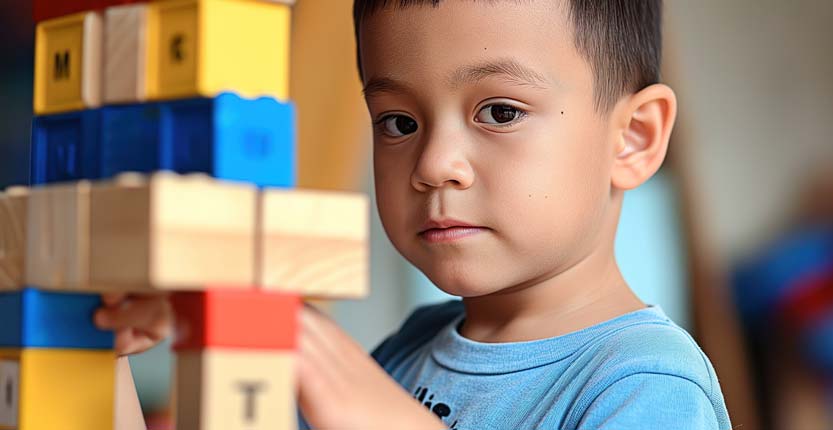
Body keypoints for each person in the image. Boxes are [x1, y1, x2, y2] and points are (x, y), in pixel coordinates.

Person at [97, 0, 733, 428]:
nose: (434, 163)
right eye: (398, 122)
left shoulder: (648, 386)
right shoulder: (406, 352)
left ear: (635, 138)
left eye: (500, 112)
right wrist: (102, 353)